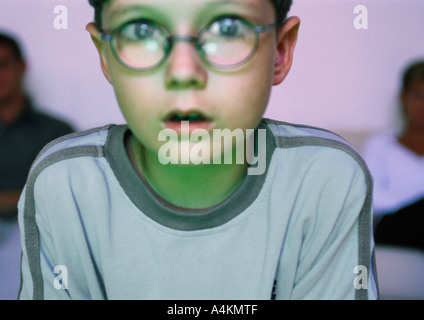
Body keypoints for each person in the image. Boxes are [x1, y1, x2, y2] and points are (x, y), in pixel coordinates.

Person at [17, 0, 378, 300]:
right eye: (141, 31)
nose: (184, 70)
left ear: (280, 51)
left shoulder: (325, 180)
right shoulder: (65, 184)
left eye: (228, 28)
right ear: (106, 56)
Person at [0, 31, 74, 299]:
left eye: (3, 65)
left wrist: (13, 201)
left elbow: (64, 198)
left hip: (30, 235)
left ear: (21, 67)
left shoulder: (54, 131)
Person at [362, 60, 424, 251]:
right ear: (404, 98)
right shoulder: (380, 145)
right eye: (418, 95)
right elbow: (372, 200)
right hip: (392, 228)